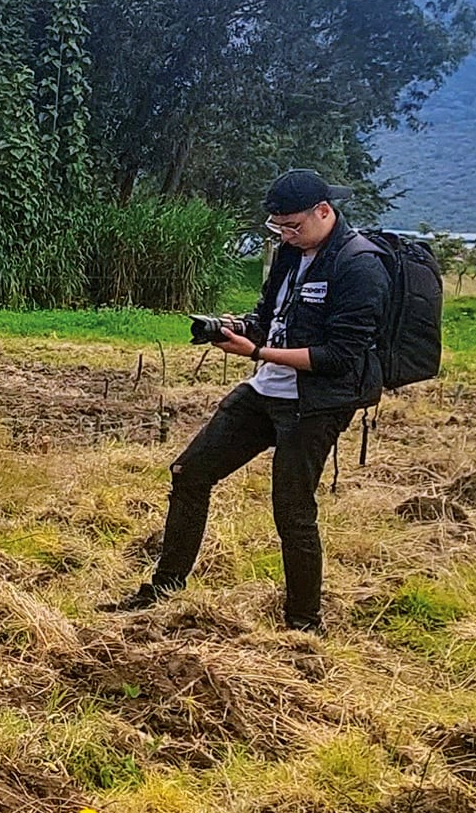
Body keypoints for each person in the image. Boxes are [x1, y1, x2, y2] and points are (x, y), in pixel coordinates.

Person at [105, 169, 389, 633]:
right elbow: (268, 317)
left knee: (292, 509)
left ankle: (302, 628)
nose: (287, 235)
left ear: (325, 211)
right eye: (278, 228)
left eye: (294, 226)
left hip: (315, 402)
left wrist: (256, 351)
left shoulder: (359, 265)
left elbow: (339, 356)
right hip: (268, 388)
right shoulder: (289, 254)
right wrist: (240, 329)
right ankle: (162, 591)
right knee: (190, 472)